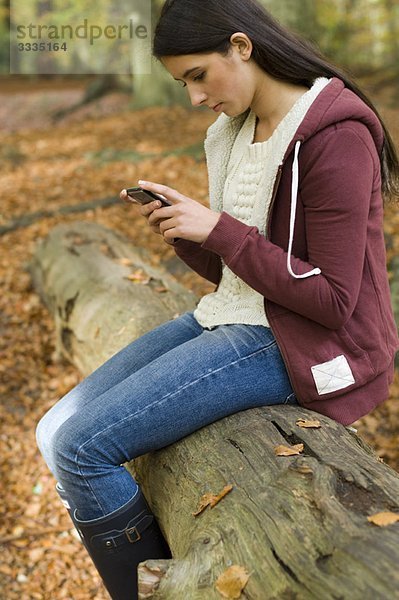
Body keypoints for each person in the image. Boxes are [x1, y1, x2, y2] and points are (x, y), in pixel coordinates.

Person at [36, 0, 399, 598]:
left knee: (81, 451)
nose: (194, 98)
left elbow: (332, 299)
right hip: (232, 315)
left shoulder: (337, 134)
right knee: (54, 431)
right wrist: (186, 231)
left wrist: (220, 231)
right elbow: (234, 270)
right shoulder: (229, 133)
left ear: (241, 45)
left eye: (198, 76)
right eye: (182, 84)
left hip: (305, 341)